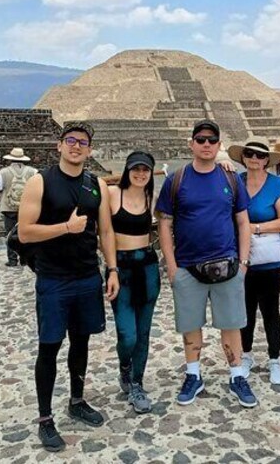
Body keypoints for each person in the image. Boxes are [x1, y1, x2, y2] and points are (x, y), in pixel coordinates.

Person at [17, 122, 119, 452]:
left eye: (83, 143)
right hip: (53, 278)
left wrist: (112, 269)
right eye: (70, 140)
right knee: (49, 346)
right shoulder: (40, 182)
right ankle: (45, 419)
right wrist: (65, 227)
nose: (76, 146)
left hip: (87, 276)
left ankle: (77, 400)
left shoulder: (96, 185)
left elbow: (105, 232)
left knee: (81, 341)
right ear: (60, 145)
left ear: (89, 150)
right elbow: (25, 233)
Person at [156, 120, 255, 408]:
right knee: (190, 325)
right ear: (191, 144)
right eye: (201, 139)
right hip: (187, 266)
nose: (207, 144)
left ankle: (237, 375)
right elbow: (165, 223)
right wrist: (172, 266)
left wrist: (244, 261)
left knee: (231, 323)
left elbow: (242, 221)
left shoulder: (231, 179)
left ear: (219, 144)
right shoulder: (176, 180)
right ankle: (193, 374)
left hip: (228, 264)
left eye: (212, 139)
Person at [226, 137, 280, 385]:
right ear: (243, 157)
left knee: (270, 309)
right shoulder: (235, 182)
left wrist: (254, 228)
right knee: (245, 309)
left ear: (267, 159)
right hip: (241, 258)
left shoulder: (277, 185)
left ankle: (274, 359)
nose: (254, 159)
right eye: (249, 154)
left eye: (259, 155)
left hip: (268, 260)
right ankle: (246, 354)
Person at [108, 151, 159, 413]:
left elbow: (166, 227)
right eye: (135, 169)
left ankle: (137, 383)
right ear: (127, 170)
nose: (140, 174)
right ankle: (124, 365)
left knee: (144, 332)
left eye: (145, 170)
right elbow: (101, 232)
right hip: (121, 268)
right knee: (127, 334)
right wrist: (110, 266)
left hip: (147, 265)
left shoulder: (152, 198)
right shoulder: (111, 195)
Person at [0, 147, 38, 267]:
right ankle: (25, 258)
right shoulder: (32, 171)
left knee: (10, 233)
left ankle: (12, 259)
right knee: (27, 232)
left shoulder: (3, 172)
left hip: (8, 207)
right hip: (27, 207)